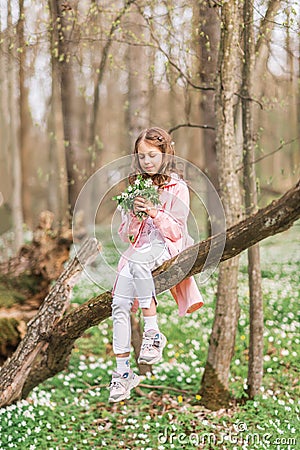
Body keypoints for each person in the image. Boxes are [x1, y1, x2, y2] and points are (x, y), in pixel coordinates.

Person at [109, 127, 204, 402]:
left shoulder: (178, 187)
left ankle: (153, 332)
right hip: (139, 248)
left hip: (166, 247)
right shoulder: (136, 187)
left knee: (139, 264)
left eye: (152, 155)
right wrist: (136, 216)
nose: (147, 161)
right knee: (119, 302)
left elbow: (176, 231)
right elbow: (124, 234)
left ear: (165, 154)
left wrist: (153, 211)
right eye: (141, 156)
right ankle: (123, 373)